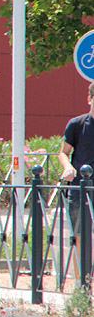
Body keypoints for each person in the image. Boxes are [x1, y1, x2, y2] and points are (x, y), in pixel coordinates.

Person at [58, 81, 94, 235]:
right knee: (78, 235)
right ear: (89, 99)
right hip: (80, 187)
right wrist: (68, 167)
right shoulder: (77, 124)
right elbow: (63, 152)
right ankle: (80, 261)